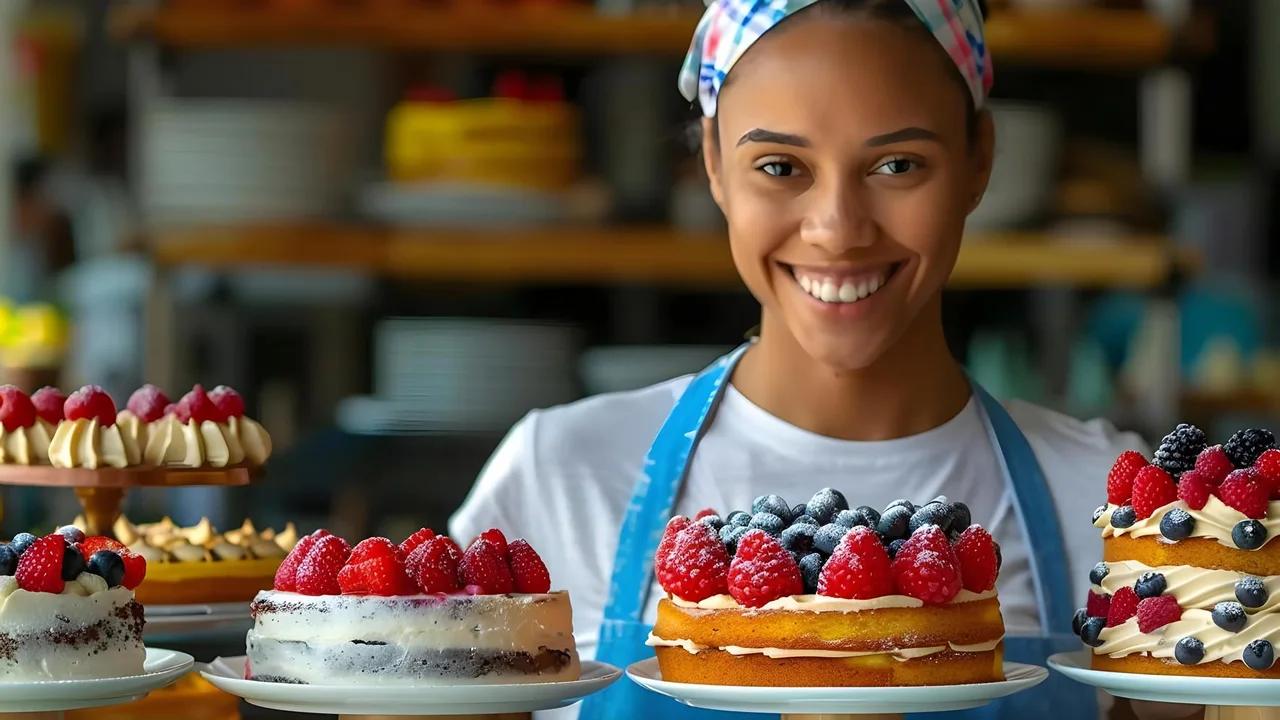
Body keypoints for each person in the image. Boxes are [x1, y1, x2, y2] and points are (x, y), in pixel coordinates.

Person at [452, 0, 1151, 717]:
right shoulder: (561, 476)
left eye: (897, 164)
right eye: (781, 166)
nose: (837, 230)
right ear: (714, 166)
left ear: (979, 161)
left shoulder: (1118, 510)